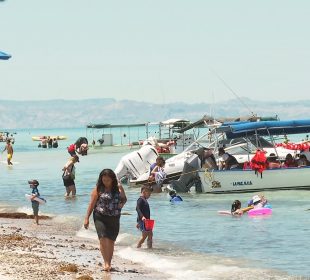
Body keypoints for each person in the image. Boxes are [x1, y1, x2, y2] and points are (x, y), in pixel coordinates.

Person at [84, 169, 127, 272]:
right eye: (104, 180)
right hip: (100, 216)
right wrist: (87, 218)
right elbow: (92, 204)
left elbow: (124, 198)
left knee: (111, 240)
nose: (106, 182)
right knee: (103, 238)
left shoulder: (118, 188)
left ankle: (109, 262)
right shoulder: (98, 189)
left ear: (112, 179)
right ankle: (106, 263)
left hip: (114, 217)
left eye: (108, 180)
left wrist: (121, 205)